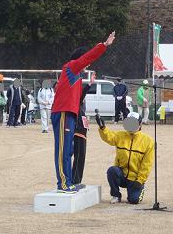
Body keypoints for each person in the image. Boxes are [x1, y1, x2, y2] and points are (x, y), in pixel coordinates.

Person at [51, 31, 115, 193]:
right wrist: (104, 45)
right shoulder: (71, 67)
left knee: (70, 150)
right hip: (63, 112)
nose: (87, 66)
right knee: (63, 150)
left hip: (71, 113)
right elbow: (87, 58)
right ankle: (63, 184)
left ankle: (70, 181)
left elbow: (78, 98)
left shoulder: (77, 77)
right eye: (84, 62)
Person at [96, 111, 154, 204]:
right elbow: (109, 137)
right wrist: (102, 128)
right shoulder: (120, 135)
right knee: (112, 170)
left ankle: (137, 190)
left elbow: (147, 164)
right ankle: (116, 195)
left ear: (140, 124)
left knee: (134, 200)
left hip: (135, 179)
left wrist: (140, 180)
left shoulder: (148, 141)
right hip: (121, 175)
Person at [72, 72, 96, 188]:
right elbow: (81, 95)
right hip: (78, 131)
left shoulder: (79, 102)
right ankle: (75, 180)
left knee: (81, 156)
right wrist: (90, 84)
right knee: (79, 156)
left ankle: (77, 180)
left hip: (82, 130)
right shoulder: (75, 99)